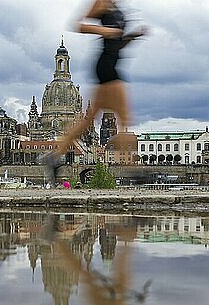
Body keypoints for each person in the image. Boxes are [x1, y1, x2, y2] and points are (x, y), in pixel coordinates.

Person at [42, 0, 148, 184]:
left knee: (88, 121)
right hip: (106, 67)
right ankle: (134, 170)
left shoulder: (117, 7)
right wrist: (104, 31)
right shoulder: (102, 2)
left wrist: (132, 37)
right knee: (124, 116)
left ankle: (53, 157)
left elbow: (117, 44)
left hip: (111, 64)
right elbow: (79, 25)